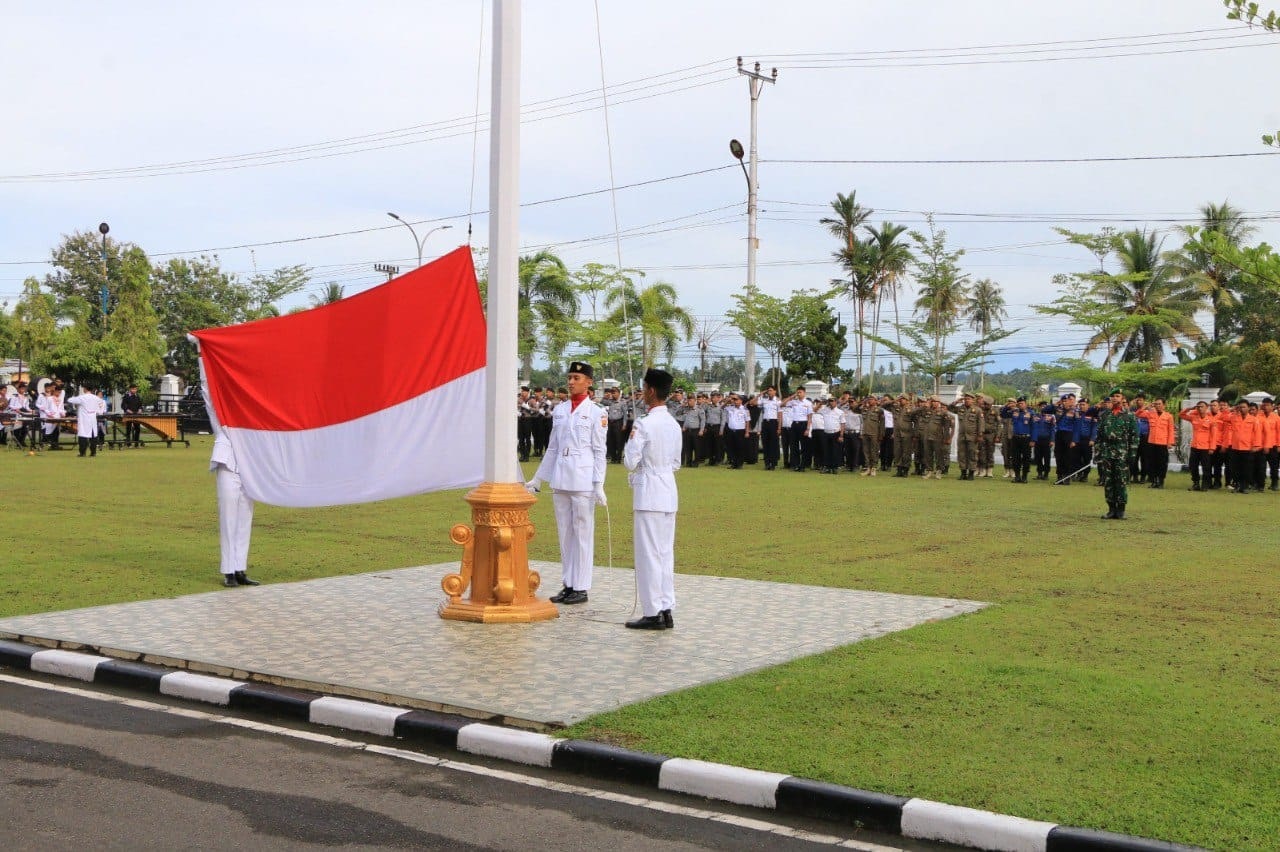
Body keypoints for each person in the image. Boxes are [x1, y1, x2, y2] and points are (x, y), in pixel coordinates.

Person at [526, 361, 607, 605]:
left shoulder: (597, 412)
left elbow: (599, 451)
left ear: (589, 382)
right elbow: (552, 448)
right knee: (565, 534)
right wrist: (539, 478)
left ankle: (581, 587)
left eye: (577, 378)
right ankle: (568, 583)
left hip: (583, 479)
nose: (571, 382)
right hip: (561, 477)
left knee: (583, 533)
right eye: (570, 377)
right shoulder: (560, 410)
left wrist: (598, 484)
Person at [623, 367, 681, 630]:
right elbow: (677, 463)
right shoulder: (673, 424)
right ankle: (666, 607)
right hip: (668, 490)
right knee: (664, 553)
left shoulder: (644, 423)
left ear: (652, 391)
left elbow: (629, 461)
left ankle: (652, 611)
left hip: (649, 493)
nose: (642, 392)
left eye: (644, 388)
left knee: (648, 554)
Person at [210, 426, 260, 587]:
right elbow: (211, 404)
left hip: (249, 462)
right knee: (228, 518)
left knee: (245, 520)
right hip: (228, 463)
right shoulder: (221, 410)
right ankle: (228, 571)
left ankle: (239, 569)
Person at [1096, 388, 1138, 519]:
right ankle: (1111, 509)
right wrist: (1098, 452)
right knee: (1108, 482)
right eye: (1113, 396)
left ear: (1122, 398)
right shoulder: (1105, 415)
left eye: (1117, 396)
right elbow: (1100, 435)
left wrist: (1132, 455)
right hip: (1107, 453)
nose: (1115, 398)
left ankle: (1121, 510)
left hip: (1122, 454)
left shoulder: (1129, 416)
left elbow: (1134, 436)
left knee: (1121, 481)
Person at [1180, 401, 1217, 491]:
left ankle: (1205, 484)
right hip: (1195, 446)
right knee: (1193, 466)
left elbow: (1214, 435)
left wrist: (1212, 447)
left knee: (1206, 467)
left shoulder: (1211, 420)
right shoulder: (1194, 418)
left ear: (1206, 407)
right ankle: (1196, 483)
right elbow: (1181, 415)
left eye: (1202, 406)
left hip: (1205, 447)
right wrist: (1190, 409)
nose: (1200, 408)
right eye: (1198, 407)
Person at [65, 386, 106, 457]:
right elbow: (101, 402)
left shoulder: (82, 397)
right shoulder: (96, 398)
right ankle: (93, 452)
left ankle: (82, 453)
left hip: (84, 419)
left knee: (83, 435)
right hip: (93, 418)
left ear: (85, 389)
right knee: (93, 435)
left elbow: (70, 400)